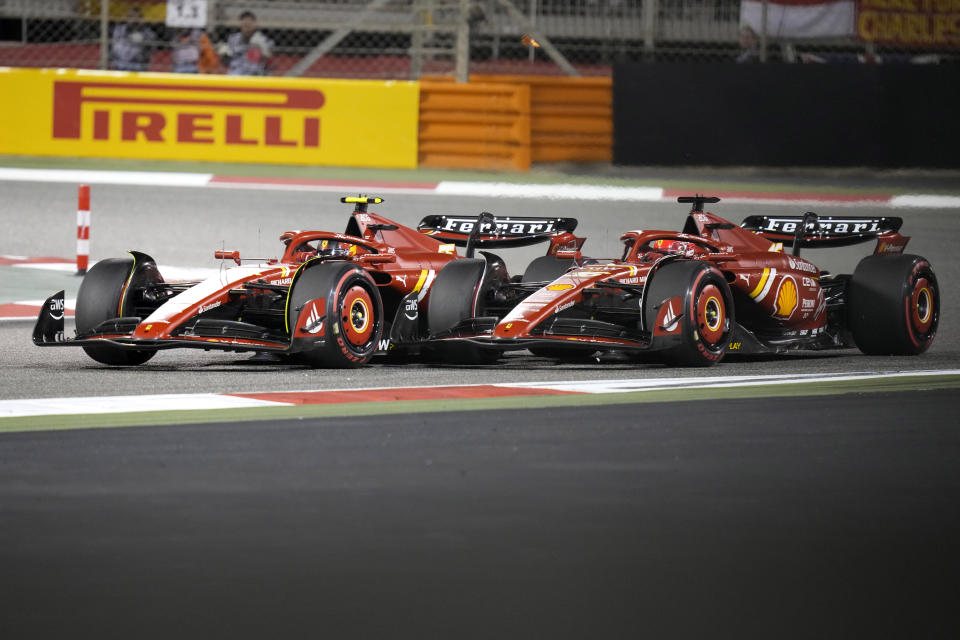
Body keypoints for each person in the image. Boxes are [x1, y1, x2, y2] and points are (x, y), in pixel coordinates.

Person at [218, 11, 274, 76]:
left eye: (249, 26)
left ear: (255, 24)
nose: (247, 29)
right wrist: (224, 55)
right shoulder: (233, 39)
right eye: (245, 26)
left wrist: (261, 48)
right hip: (235, 74)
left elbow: (269, 58)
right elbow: (226, 63)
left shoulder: (263, 40)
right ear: (241, 25)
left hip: (255, 74)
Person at [110, 6, 156, 71]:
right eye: (131, 17)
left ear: (142, 19)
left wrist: (143, 41)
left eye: (138, 17)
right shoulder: (119, 30)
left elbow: (150, 52)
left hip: (138, 65)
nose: (135, 20)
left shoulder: (148, 33)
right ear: (127, 18)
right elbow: (116, 49)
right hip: (120, 63)